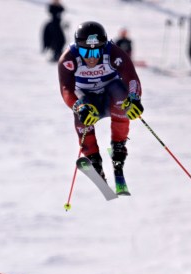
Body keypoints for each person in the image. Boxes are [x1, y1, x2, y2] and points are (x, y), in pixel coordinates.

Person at [57, 21, 144, 194]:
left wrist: (134, 98)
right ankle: (93, 157)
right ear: (77, 47)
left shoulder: (112, 52)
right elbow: (66, 90)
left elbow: (131, 78)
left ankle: (118, 148)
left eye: (96, 50)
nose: (91, 57)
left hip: (111, 97)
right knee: (81, 110)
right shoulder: (68, 58)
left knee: (120, 94)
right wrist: (78, 107)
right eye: (85, 51)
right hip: (88, 100)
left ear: (103, 46)